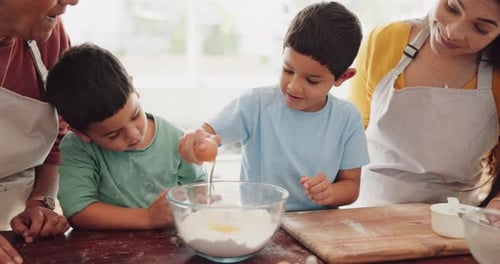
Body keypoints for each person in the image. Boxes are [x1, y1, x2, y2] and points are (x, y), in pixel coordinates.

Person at [178, 2, 369, 212]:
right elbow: (207, 133)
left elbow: (351, 186)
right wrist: (198, 141)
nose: (294, 86)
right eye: (288, 70)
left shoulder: (347, 118)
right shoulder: (256, 104)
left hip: (319, 226)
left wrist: (331, 193)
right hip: (260, 222)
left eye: (312, 80)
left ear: (343, 77)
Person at [347, 0, 500, 208]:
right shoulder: (384, 41)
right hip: (367, 209)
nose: (453, 32)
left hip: (454, 219)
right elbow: (351, 137)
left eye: (481, 28)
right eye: (452, 8)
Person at [45, 43, 206, 230]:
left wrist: (200, 199)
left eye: (136, 114)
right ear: (81, 133)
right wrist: (148, 217)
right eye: (113, 134)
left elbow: (196, 189)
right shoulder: (78, 148)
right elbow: (78, 211)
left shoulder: (176, 138)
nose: (133, 134)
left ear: (134, 87)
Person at [0, 0, 79, 263]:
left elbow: (60, 138)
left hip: (18, 229)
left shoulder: (46, 33)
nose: (73, 1)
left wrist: (40, 202)